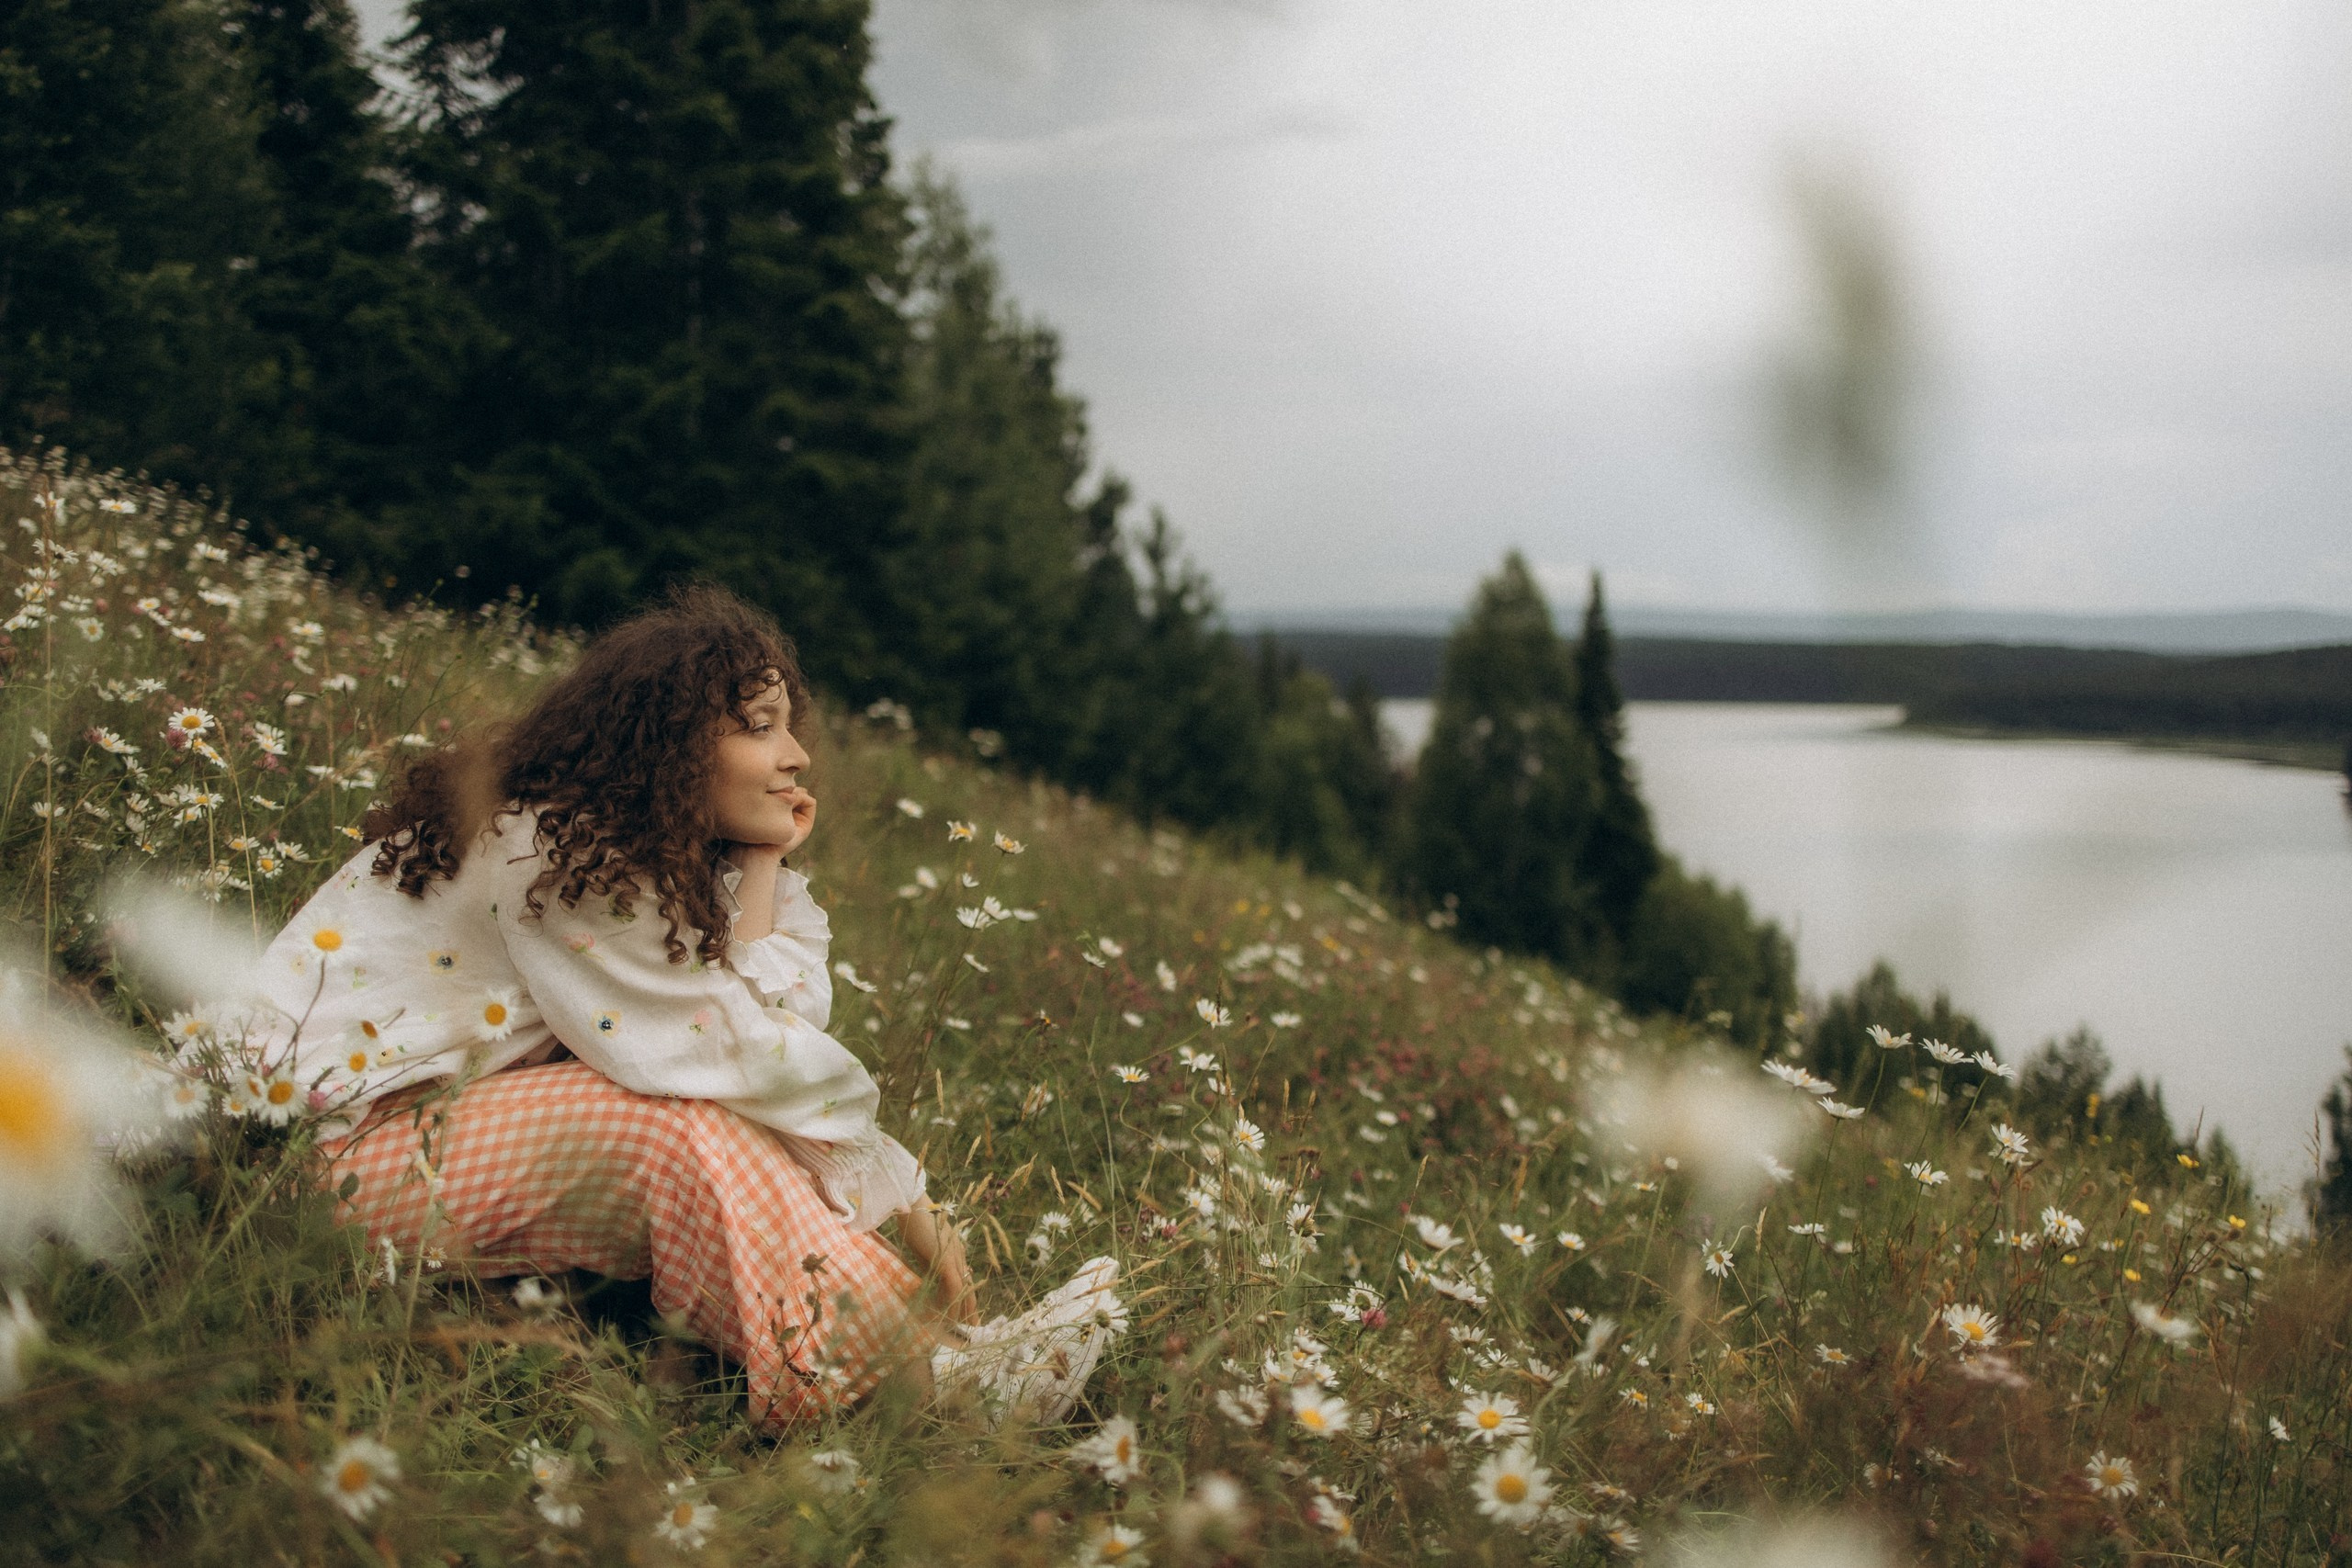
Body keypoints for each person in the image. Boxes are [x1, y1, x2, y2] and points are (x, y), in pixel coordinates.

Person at [246, 585, 1120, 1429]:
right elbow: (736, 1051)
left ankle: (941, 1355)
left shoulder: (603, 850)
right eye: (758, 727)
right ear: (669, 744)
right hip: (321, 1167)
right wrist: (912, 1202)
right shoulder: (546, 855)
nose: (797, 756)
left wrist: (761, 863)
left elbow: (770, 1021)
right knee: (671, 1130)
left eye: (788, 726)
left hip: (415, 1141)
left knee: (690, 1110)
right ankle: (937, 1383)